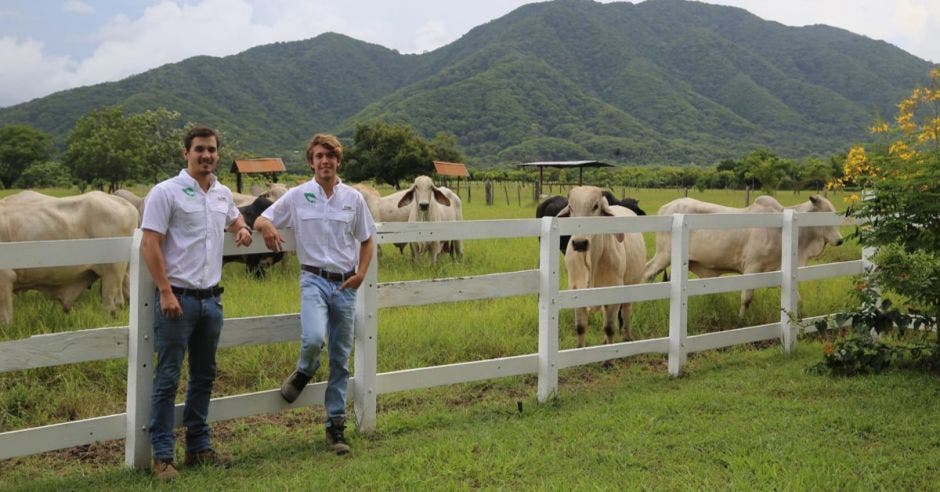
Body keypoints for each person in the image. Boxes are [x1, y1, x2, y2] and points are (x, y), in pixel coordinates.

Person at [140, 125, 253, 481]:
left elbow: (234, 216)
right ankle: (161, 455)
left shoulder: (220, 193)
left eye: (212, 150)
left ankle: (199, 447)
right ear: (186, 153)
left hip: (211, 300)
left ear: (218, 153)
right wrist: (165, 291)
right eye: (200, 149)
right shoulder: (166, 192)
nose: (206, 155)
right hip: (179, 299)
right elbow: (150, 243)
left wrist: (242, 227)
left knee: (204, 375)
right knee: (168, 377)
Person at [253, 133, 375, 455]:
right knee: (313, 339)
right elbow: (263, 218)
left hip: (345, 285)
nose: (325, 161)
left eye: (330, 156)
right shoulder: (297, 196)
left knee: (340, 359)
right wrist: (266, 228)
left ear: (338, 161)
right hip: (313, 280)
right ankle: (305, 370)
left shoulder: (353, 199)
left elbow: (367, 238)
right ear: (311, 161)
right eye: (319, 156)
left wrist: (361, 274)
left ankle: (335, 427)